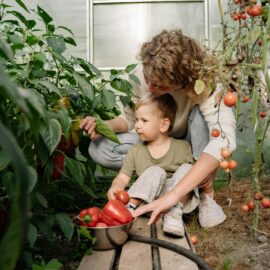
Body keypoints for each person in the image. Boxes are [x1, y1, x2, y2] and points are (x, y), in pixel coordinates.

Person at [80, 29, 236, 227]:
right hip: (155, 139)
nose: (151, 90)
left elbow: (224, 140)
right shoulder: (142, 72)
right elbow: (129, 119)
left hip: (190, 145)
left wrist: (174, 195)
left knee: (203, 121)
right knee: (100, 147)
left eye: (161, 87)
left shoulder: (205, 81)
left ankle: (201, 192)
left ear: (182, 82)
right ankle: (159, 180)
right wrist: (103, 126)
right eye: (148, 81)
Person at [107, 93, 198, 237]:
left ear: (163, 125)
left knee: (189, 170)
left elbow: (194, 180)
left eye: (144, 120)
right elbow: (122, 178)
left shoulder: (183, 147)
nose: (137, 125)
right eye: (136, 120)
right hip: (146, 201)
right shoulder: (135, 151)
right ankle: (130, 209)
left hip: (174, 201)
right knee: (156, 171)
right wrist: (115, 187)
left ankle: (173, 215)